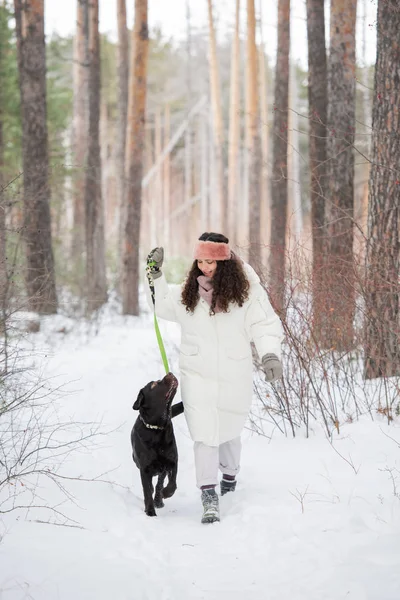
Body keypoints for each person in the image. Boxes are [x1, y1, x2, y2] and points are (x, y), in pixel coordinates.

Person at [146, 232, 284, 524]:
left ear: (225, 261)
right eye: (200, 260)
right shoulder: (190, 292)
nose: (205, 267)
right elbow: (164, 307)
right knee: (204, 434)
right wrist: (156, 275)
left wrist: (270, 354)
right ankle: (208, 494)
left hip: (234, 373)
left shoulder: (246, 293)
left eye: (211, 261)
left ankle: (230, 478)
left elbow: (264, 323)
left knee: (230, 429)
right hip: (197, 375)